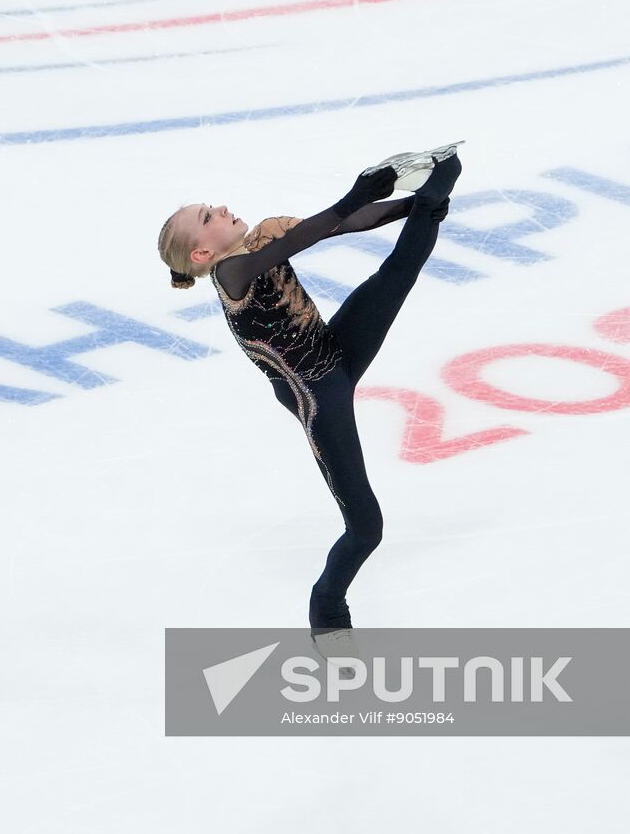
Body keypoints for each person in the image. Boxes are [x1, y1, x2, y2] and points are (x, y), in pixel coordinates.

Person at [155, 148, 463, 643]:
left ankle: (431, 203)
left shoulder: (266, 232)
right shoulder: (231, 276)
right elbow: (305, 236)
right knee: (366, 527)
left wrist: (424, 200)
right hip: (315, 392)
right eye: (208, 217)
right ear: (201, 256)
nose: (221, 208)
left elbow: (341, 224)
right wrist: (354, 196)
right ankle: (327, 607)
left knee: (395, 276)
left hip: (332, 349)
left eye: (211, 206)